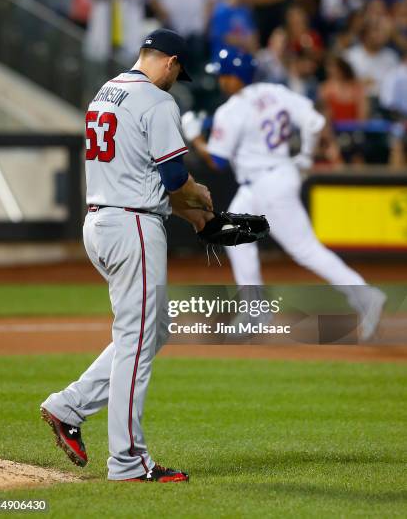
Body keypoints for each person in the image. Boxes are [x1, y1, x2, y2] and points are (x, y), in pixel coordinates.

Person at [40, 29, 214, 483]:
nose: (177, 79)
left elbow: (144, 176)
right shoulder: (157, 101)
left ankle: (68, 406)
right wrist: (201, 197)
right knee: (138, 340)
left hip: (101, 222)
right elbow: (175, 178)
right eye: (179, 71)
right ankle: (129, 461)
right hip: (132, 226)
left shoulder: (107, 92)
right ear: (170, 61)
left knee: (150, 333)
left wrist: (194, 218)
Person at [182, 48, 386, 341]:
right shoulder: (275, 91)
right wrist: (304, 156)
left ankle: (365, 296)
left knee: (307, 251)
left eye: (224, 75)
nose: (221, 81)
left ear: (236, 77)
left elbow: (218, 161)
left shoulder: (232, 110)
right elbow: (315, 123)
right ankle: (255, 310)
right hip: (271, 178)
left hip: (268, 185)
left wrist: (196, 137)